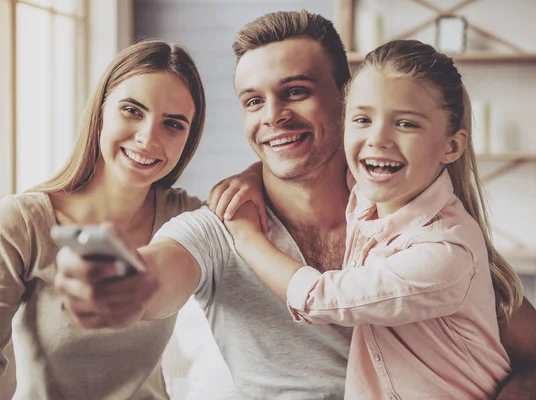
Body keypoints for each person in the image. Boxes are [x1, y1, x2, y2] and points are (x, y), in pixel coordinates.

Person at [55, 10, 536, 400]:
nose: (273, 116)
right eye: (253, 101)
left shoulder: (409, 222)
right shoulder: (222, 225)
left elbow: (528, 347)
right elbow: (154, 278)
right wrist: (120, 285)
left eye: (296, 92)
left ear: (347, 99)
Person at [0, 40, 264, 400]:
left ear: (188, 140)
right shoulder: (21, 222)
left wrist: (254, 175)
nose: (147, 138)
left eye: (172, 124)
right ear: (100, 111)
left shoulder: (186, 218)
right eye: (132, 110)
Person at [221, 39, 524, 399]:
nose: (377, 139)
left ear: (452, 146)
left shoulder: (446, 250)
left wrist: (246, 236)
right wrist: (252, 175)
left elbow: (319, 298)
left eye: (406, 124)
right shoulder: (369, 195)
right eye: (362, 119)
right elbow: (300, 163)